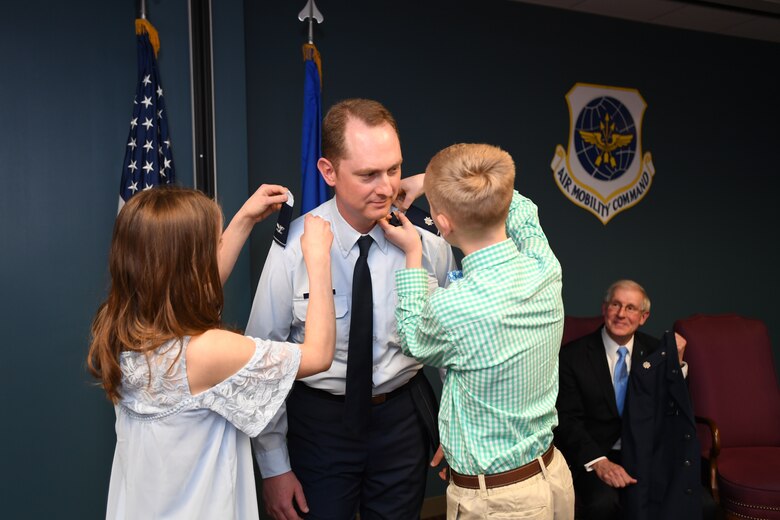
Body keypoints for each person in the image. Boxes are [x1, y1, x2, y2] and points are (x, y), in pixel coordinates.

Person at [246, 98, 456, 520]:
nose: (387, 187)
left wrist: (455, 430)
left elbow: (453, 346)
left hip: (402, 417)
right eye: (368, 175)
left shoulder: (428, 243)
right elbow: (262, 359)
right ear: (328, 171)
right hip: (320, 422)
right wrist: (274, 467)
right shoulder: (294, 247)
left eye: (394, 169)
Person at [87, 185, 336, 520]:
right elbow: (318, 354)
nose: (219, 249)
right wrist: (319, 262)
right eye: (214, 245)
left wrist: (245, 219)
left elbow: (190, 291)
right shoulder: (207, 352)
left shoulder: (121, 329)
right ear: (191, 267)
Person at [379, 143, 574, 519]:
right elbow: (523, 210)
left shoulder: (456, 307)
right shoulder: (544, 265)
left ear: (443, 225)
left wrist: (412, 254)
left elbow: (412, 336)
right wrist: (431, 184)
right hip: (552, 475)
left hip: (500, 503)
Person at [554, 279, 716, 520]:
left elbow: (674, 409)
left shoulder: (657, 352)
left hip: (648, 455)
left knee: (703, 505)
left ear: (643, 317)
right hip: (597, 454)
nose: (621, 314)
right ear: (604, 309)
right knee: (602, 505)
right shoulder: (572, 356)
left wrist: (676, 364)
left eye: (631, 308)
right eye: (615, 305)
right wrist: (599, 462)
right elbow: (567, 420)